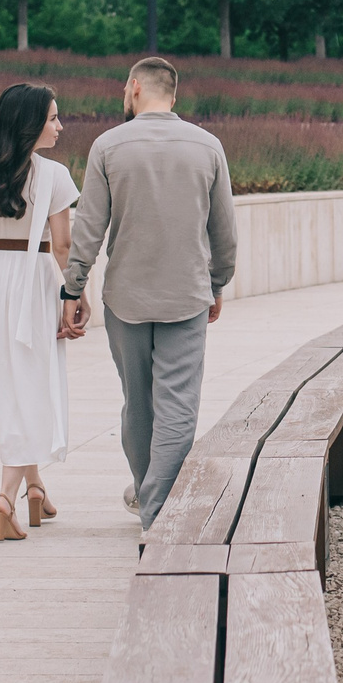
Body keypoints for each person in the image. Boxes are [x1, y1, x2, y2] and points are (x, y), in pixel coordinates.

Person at [60, 56, 237, 532]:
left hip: (127, 298)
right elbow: (224, 231)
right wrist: (218, 282)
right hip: (186, 295)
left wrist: (73, 287)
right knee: (178, 404)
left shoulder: (108, 146)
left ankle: (149, 501)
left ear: (134, 87)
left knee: (138, 403)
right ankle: (155, 504)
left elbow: (90, 227)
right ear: (173, 95)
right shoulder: (208, 146)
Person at [0, 83, 81, 542]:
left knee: (11, 383)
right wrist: (74, 297)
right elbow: (62, 245)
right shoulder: (54, 176)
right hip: (34, 283)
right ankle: (5, 499)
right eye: (52, 119)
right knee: (31, 385)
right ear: (29, 125)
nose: (60, 126)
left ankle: (36, 488)